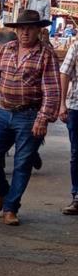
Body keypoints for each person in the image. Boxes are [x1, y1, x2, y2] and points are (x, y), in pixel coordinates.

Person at [0, 9, 60, 225]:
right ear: (16, 30)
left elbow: (52, 90)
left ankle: (10, 208)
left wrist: (43, 118)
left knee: (22, 163)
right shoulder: (7, 49)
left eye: (30, 28)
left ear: (38, 30)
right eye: (21, 28)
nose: (25, 32)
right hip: (3, 112)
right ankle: (1, 191)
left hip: (29, 115)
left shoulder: (46, 55)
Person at [59, 40, 78, 215]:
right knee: (76, 153)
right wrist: (62, 104)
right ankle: (77, 196)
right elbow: (64, 72)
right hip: (76, 107)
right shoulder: (76, 46)